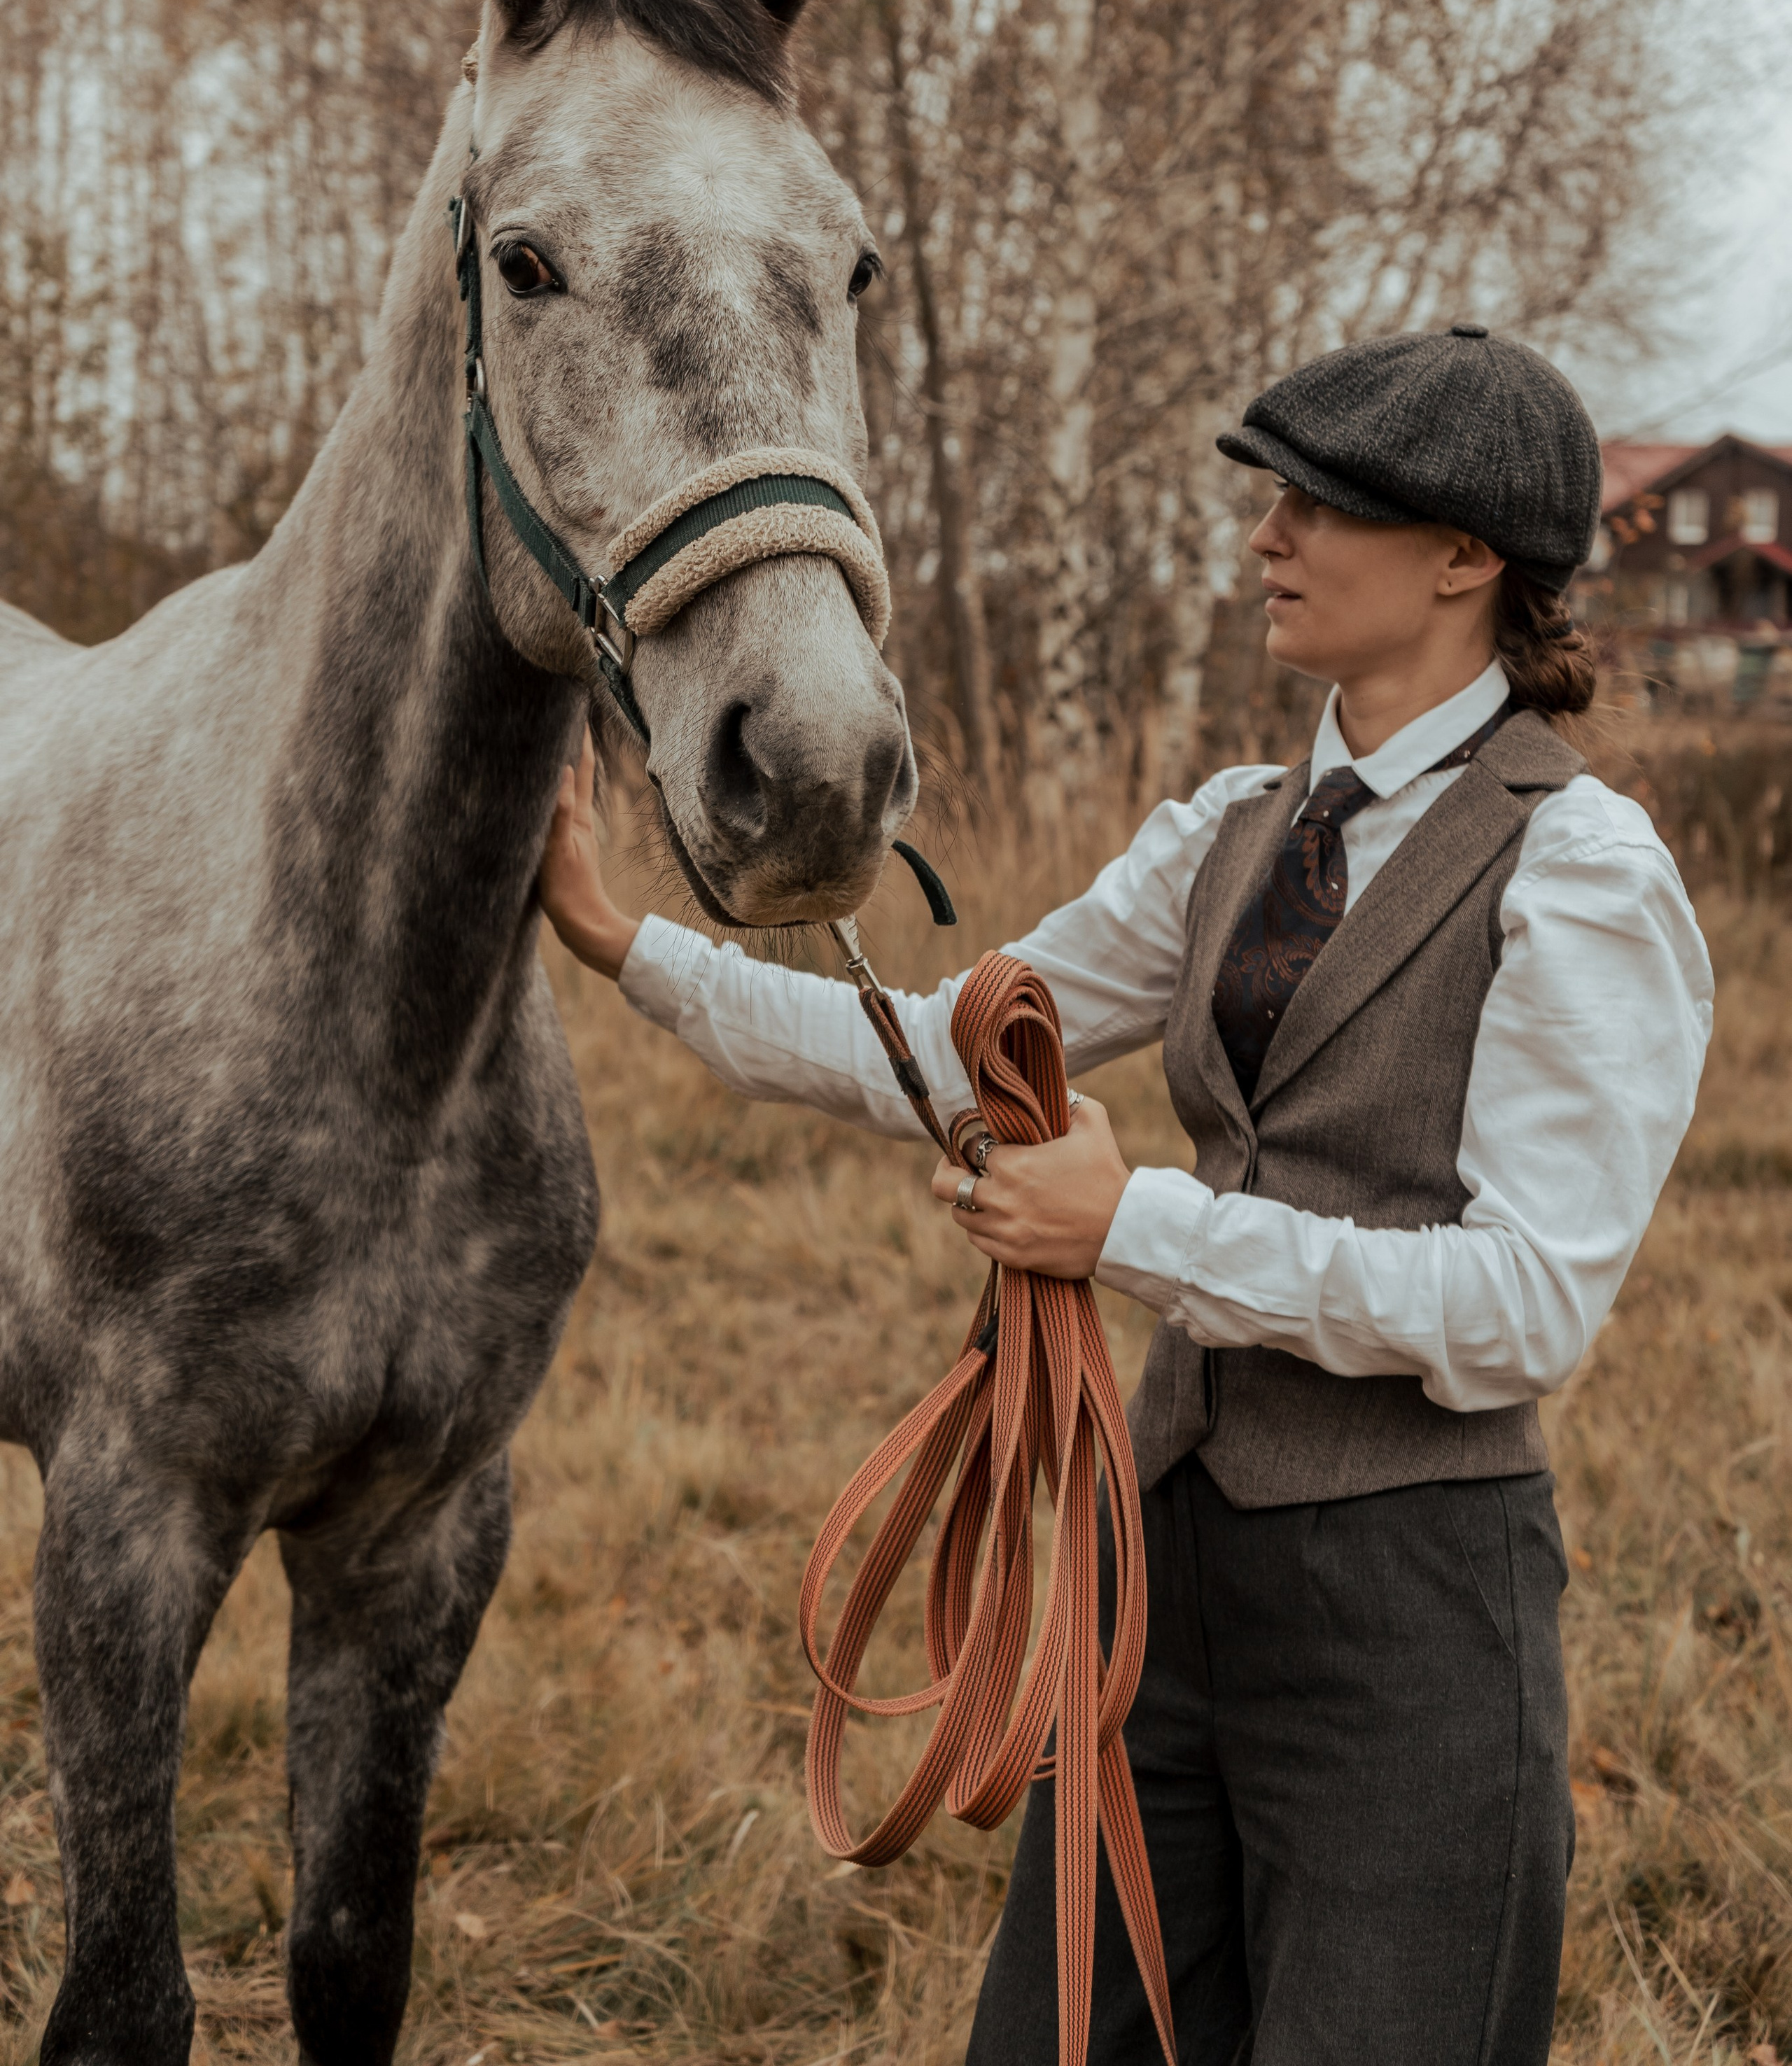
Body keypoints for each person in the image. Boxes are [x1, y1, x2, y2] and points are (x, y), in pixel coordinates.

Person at [538, 322, 1712, 2066]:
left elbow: (1523, 1304)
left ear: (1466, 562)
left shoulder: (1582, 865)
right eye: (1274, 498)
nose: (1268, 536)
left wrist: (1133, 1229)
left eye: (1322, 505)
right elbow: (947, 1048)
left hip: (1412, 1612)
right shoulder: (1235, 828)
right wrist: (631, 948)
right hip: (1152, 1582)